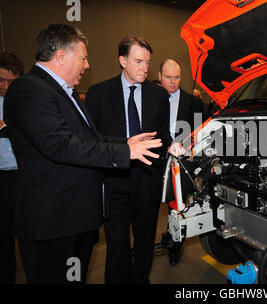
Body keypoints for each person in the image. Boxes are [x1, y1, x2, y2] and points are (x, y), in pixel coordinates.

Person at [3, 24, 162, 284]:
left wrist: (127, 141)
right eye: (83, 57)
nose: (87, 65)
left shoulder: (66, 93)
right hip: (52, 223)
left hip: (75, 220)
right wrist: (125, 151)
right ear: (61, 56)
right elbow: (61, 146)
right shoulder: (28, 90)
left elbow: (90, 138)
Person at [85, 36, 172, 284]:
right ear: (122, 61)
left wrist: (165, 144)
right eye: (138, 61)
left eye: (147, 62)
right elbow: (92, 140)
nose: (145, 68)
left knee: (145, 243)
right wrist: (126, 145)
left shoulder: (158, 95)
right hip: (114, 181)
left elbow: (164, 133)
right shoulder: (99, 93)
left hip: (147, 181)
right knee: (117, 246)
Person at [158, 59, 204, 265]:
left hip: (181, 160)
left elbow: (198, 131)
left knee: (177, 206)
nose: (173, 81)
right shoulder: (151, 98)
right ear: (159, 76)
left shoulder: (192, 101)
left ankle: (175, 246)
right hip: (155, 158)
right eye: (168, 77)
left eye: (177, 77)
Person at [0, 52, 23, 284]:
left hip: (24, 176)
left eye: (11, 81)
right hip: (2, 179)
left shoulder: (25, 100)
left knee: (28, 233)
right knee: (3, 236)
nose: (6, 86)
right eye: (0, 81)